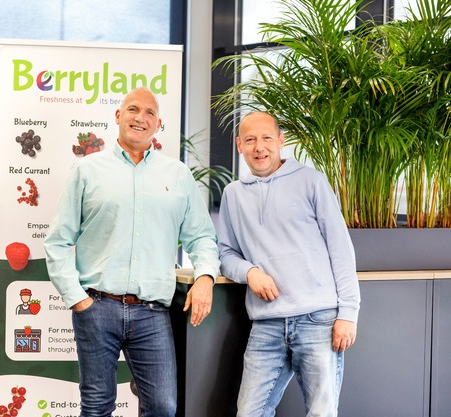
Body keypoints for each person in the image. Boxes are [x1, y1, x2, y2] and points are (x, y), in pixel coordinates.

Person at [44, 87, 220, 417]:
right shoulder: (87, 170)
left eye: (149, 112)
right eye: (133, 109)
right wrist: (77, 299)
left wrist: (206, 277)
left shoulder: (178, 175)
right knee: (96, 407)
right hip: (97, 307)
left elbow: (202, 237)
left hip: (152, 312)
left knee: (163, 407)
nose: (141, 118)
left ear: (158, 124)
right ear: (118, 116)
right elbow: (58, 241)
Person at [216, 111, 361, 417]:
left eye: (267, 138)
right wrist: (250, 272)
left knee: (321, 413)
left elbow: (341, 249)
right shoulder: (233, 194)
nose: (259, 147)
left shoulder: (311, 181)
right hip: (266, 324)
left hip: (318, 320)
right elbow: (226, 254)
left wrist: (348, 313)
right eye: (250, 140)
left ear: (281, 141)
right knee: (249, 413)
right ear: (239, 145)